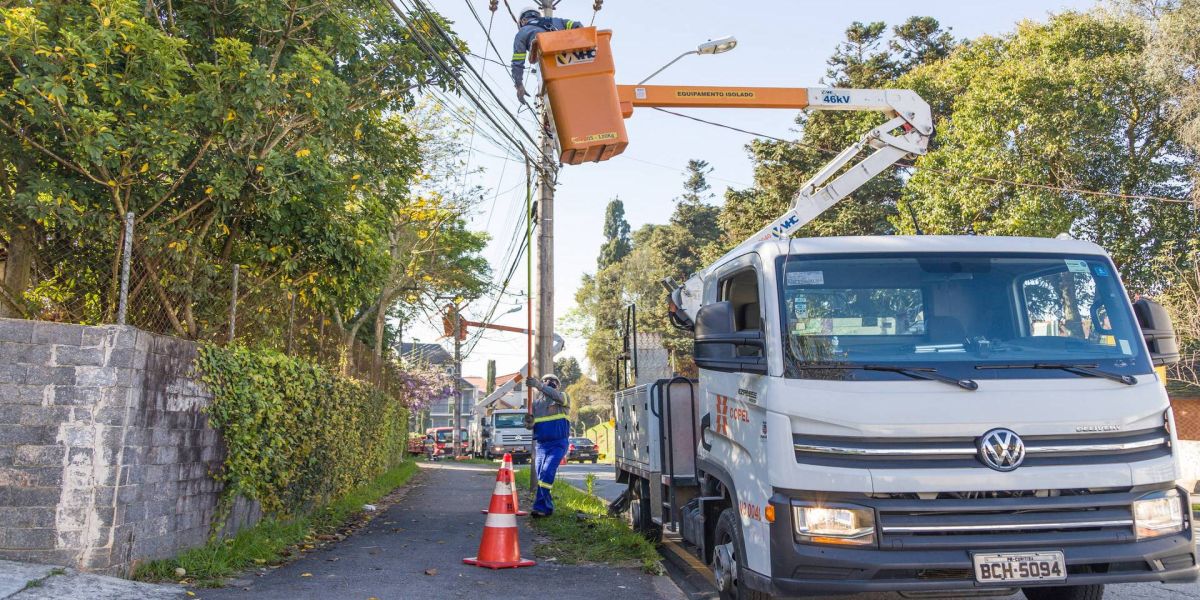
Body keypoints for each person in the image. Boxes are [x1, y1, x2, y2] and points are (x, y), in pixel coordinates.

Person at [519, 372, 569, 517]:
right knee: (541, 476)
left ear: (557, 385)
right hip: (541, 445)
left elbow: (556, 396)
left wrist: (539, 385)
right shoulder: (535, 405)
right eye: (546, 380)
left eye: (552, 381)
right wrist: (528, 423)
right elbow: (530, 426)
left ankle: (539, 507)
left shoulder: (563, 398)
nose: (549, 382)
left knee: (547, 472)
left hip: (558, 444)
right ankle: (547, 507)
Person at [511, 6, 583, 103]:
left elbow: (517, 63)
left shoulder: (522, 32)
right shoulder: (556, 21)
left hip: (549, 70)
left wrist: (519, 85)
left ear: (523, 20)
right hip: (574, 63)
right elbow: (577, 26)